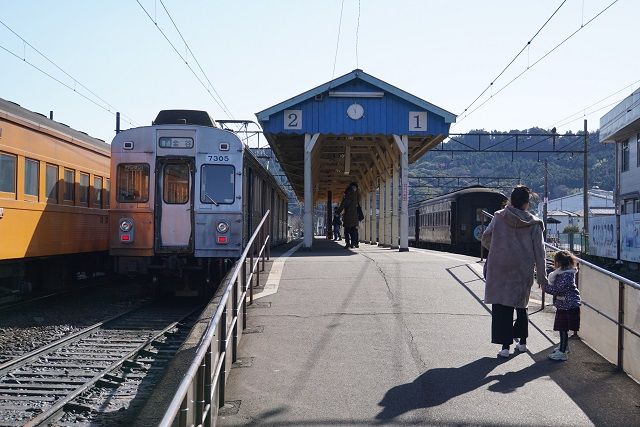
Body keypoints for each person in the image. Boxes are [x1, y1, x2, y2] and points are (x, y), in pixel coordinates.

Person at [481, 185, 548, 358]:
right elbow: (540, 253)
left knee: (502, 306)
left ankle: (505, 347)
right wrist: (542, 276)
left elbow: (486, 238)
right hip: (522, 269)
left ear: (511, 200)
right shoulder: (534, 223)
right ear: (526, 203)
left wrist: (497, 251)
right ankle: (523, 343)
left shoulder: (498, 216)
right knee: (521, 306)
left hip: (500, 268)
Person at [542, 250, 581, 361]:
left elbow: (557, 289)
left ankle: (562, 352)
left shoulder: (566, 274)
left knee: (563, 328)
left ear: (559, 262)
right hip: (565, 304)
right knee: (562, 328)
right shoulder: (566, 272)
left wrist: (544, 286)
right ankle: (564, 347)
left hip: (567, 305)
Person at [337, 182, 360, 249]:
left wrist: (338, 212)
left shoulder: (349, 193)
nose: (355, 189)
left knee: (347, 231)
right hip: (354, 216)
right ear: (353, 187)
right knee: (353, 231)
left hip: (348, 215)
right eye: (355, 187)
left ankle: (348, 243)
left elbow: (344, 203)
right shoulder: (356, 194)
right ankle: (352, 243)